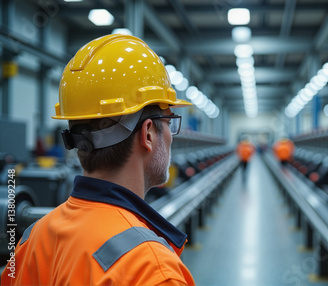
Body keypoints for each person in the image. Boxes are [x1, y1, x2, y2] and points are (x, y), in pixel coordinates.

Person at [1, 34, 195, 285]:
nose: (171, 135)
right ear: (148, 134)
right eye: (169, 123)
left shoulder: (32, 239)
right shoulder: (153, 271)